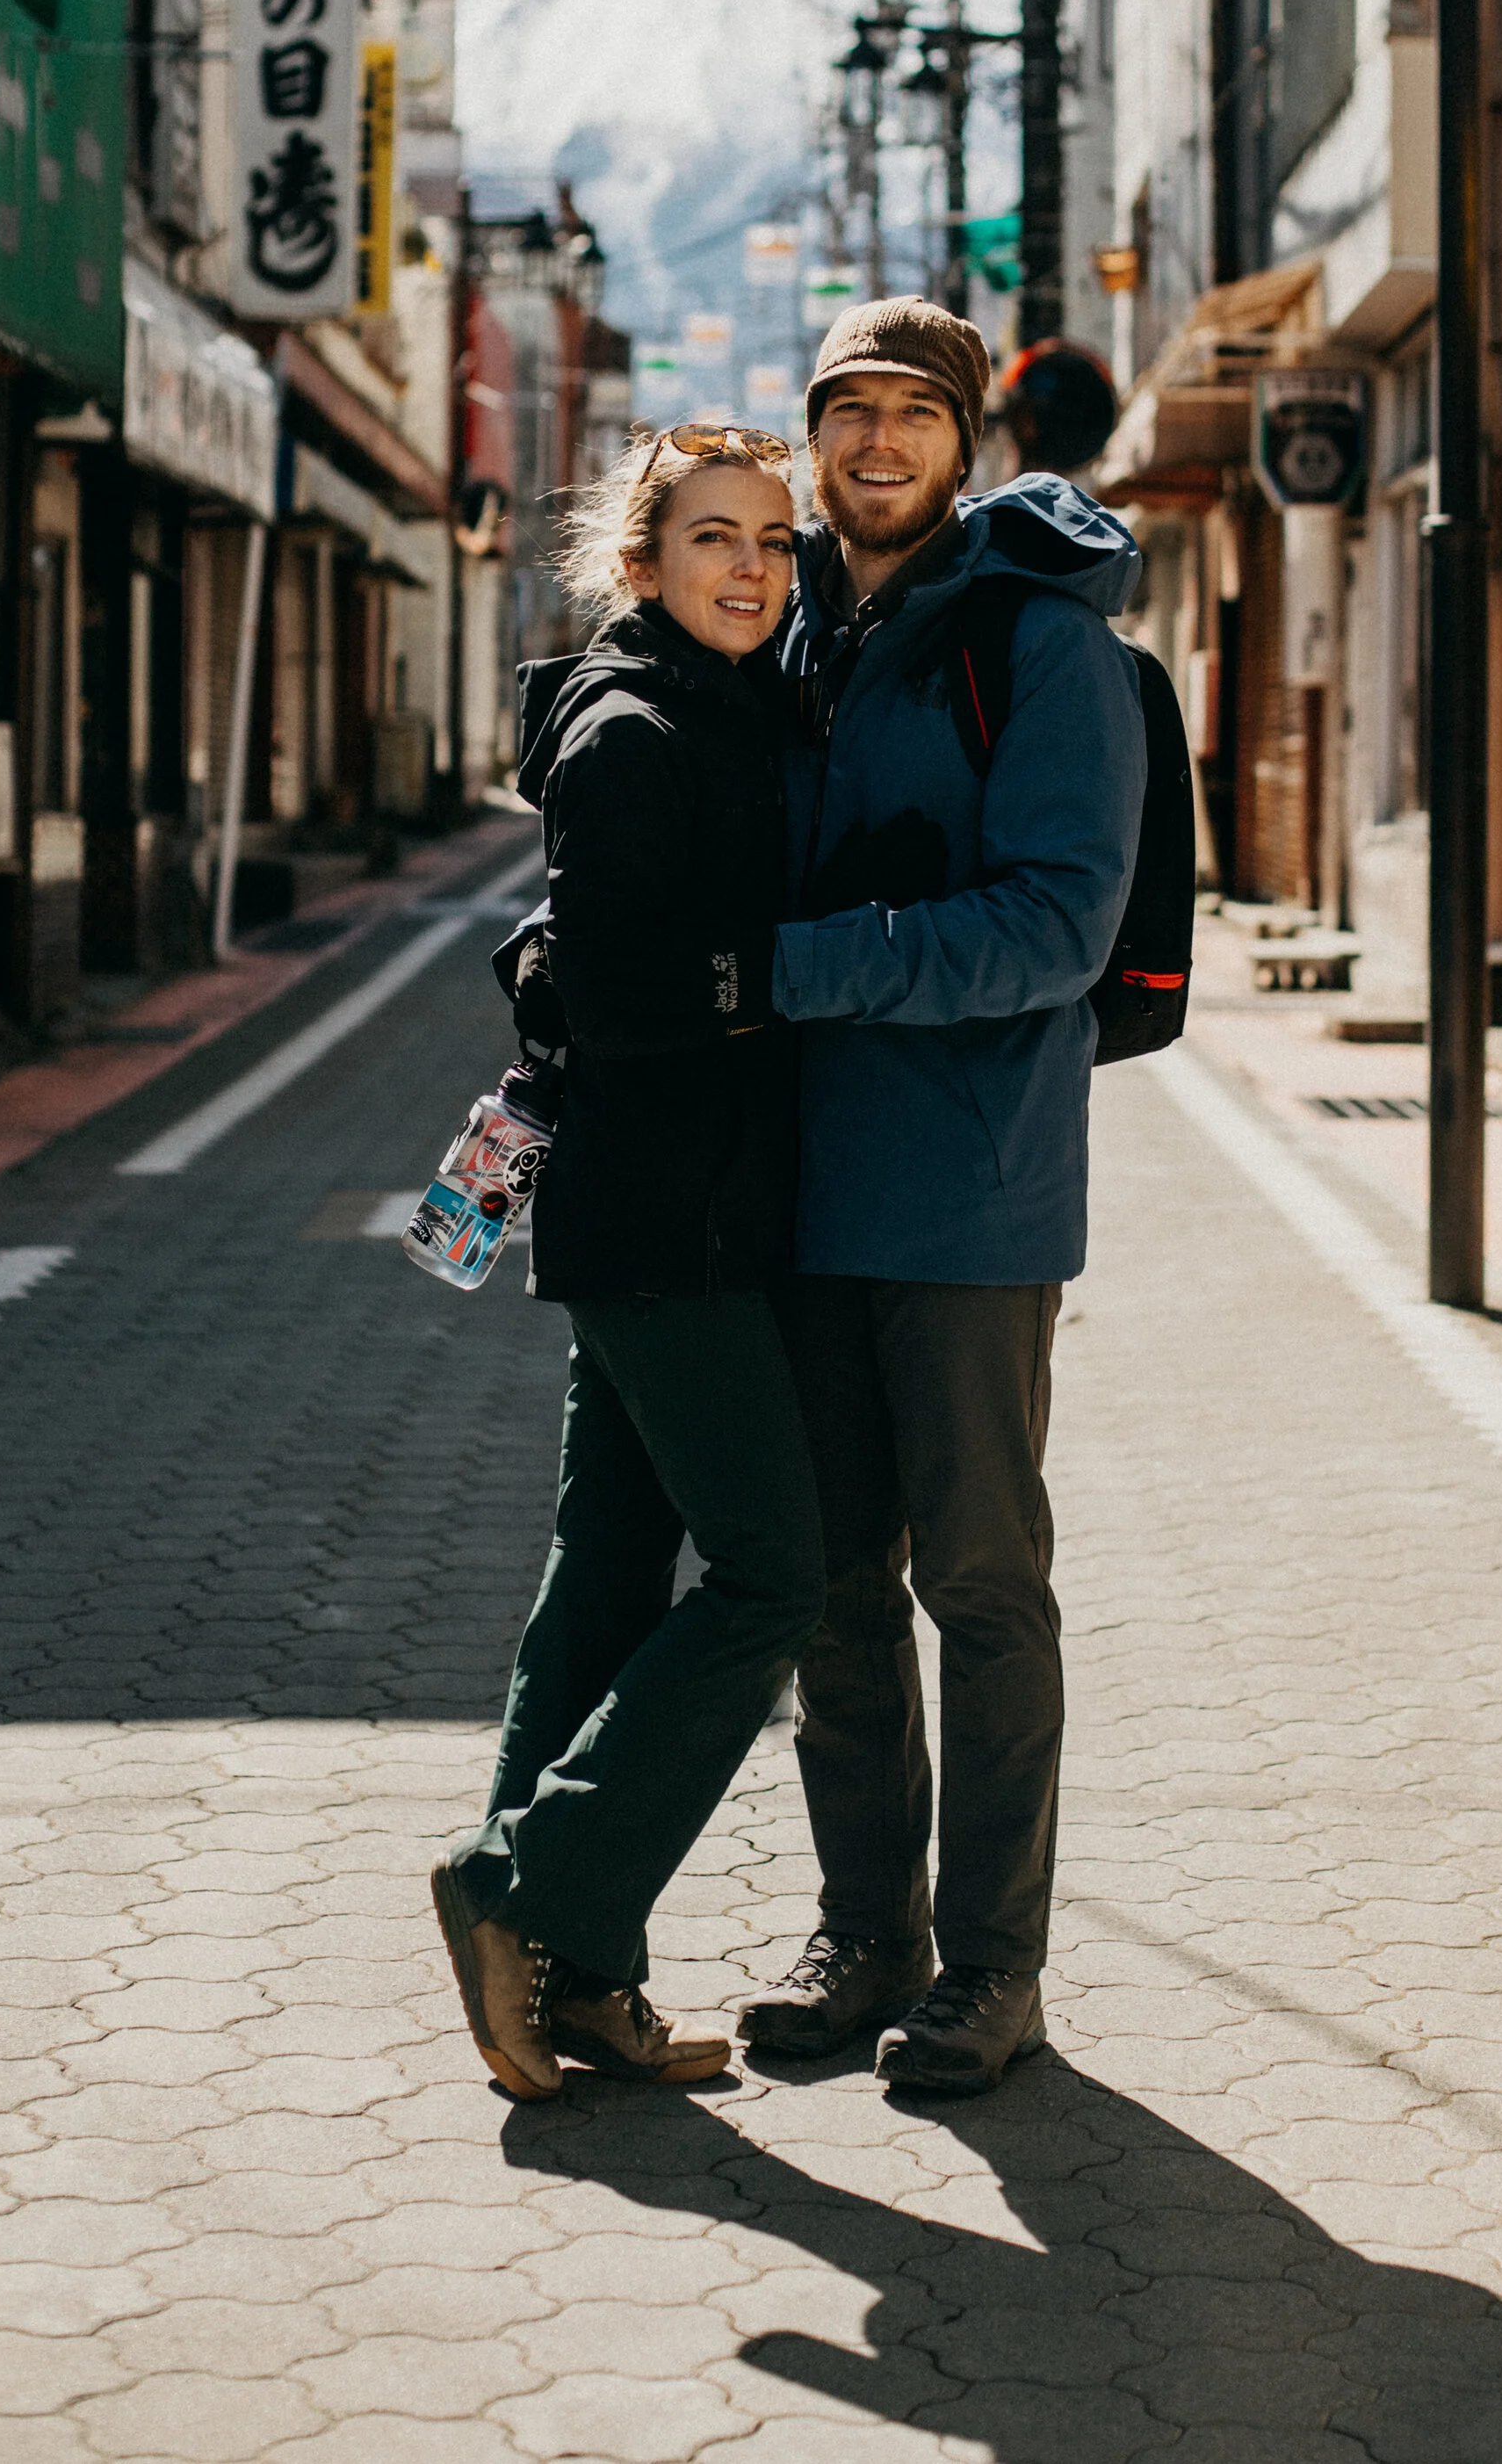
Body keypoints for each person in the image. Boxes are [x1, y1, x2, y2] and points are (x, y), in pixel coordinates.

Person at [740, 298, 1145, 2096]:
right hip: (792, 1193)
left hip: (972, 1194)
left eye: (914, 413)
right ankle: (863, 1937)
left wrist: (798, 968)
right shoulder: (781, 619)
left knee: (979, 1585)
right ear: (811, 439)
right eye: (849, 413)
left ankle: (990, 1965)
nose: (879, 443)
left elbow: (1057, 923)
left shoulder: (1033, 639)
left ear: (966, 441)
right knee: (828, 1588)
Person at [432, 427, 827, 2103]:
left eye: (775, 544)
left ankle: (572, 1975)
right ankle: (530, 1886)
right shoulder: (634, 725)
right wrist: (787, 975)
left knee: (607, 1569)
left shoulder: (726, 707)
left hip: (679, 1211)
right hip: (670, 1226)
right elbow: (606, 979)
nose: (750, 568)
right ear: (641, 558)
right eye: (713, 537)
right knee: (771, 1578)